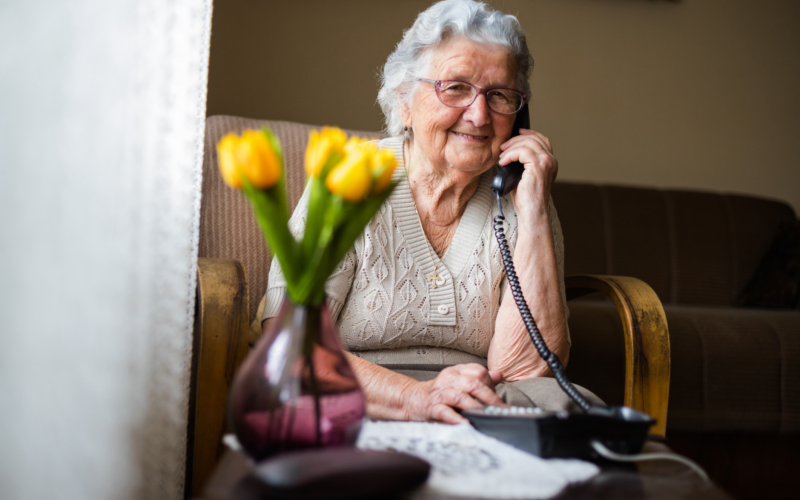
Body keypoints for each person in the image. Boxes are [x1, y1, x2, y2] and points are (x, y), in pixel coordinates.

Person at [259, 0, 602, 424]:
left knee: (574, 418)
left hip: (479, 404)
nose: (479, 115)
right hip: (358, 395)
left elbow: (528, 372)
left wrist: (532, 214)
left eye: (500, 96)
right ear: (404, 101)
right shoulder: (349, 180)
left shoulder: (521, 190)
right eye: (455, 87)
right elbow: (292, 345)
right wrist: (418, 397)